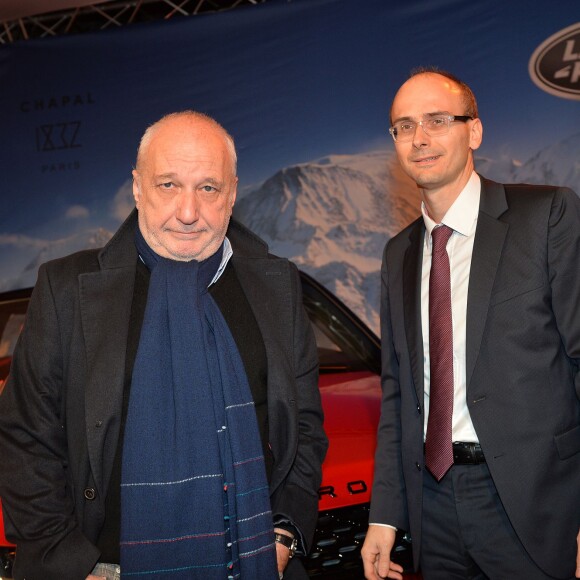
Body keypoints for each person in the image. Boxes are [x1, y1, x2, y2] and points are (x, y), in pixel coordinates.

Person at [0, 111, 328, 580]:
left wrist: (282, 536)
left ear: (232, 192)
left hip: (255, 565)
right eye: (169, 185)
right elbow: (24, 438)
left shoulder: (275, 285)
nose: (189, 212)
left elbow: (306, 426)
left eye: (208, 188)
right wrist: (75, 567)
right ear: (138, 188)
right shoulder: (68, 288)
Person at [361, 67, 580, 579]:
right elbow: (398, 398)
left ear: (474, 131)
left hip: (535, 506)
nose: (420, 138)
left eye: (437, 120)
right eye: (404, 126)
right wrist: (386, 517)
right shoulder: (399, 255)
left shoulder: (546, 217)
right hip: (432, 508)